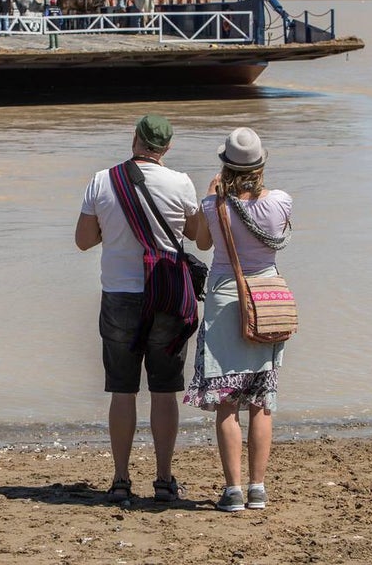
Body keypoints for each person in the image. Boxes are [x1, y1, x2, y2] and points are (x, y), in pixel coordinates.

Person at [75, 115, 201, 504]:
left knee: (122, 391)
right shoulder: (181, 183)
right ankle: (163, 480)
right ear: (168, 147)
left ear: (135, 139)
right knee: (164, 391)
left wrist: (111, 229)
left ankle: (120, 480)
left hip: (119, 295)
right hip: (167, 296)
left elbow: (83, 240)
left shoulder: (102, 180)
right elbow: (198, 236)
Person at [184, 127, 292, 513]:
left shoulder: (213, 206)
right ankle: (257, 489)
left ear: (225, 166)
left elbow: (201, 242)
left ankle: (233, 491)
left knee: (227, 403)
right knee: (261, 402)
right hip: (267, 303)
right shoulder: (281, 202)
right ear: (260, 166)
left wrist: (211, 197)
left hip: (225, 303)